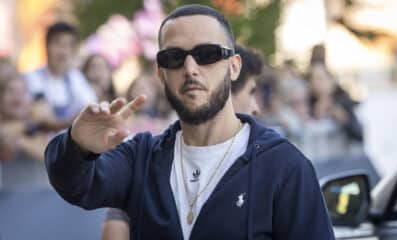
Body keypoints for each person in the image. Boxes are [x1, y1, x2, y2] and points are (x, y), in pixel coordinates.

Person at [45, 4, 335, 240]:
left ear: (233, 67)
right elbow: (76, 185)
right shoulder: (141, 158)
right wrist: (77, 145)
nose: (190, 68)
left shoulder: (284, 166)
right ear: (161, 74)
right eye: (174, 57)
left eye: (207, 54)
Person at [100, 44, 263, 240]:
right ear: (227, 87)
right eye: (251, 93)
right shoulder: (149, 159)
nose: (256, 108)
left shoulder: (274, 163)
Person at [24, 22, 97, 131]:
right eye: (58, 43)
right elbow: (43, 119)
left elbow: (92, 109)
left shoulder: (76, 77)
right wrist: (77, 121)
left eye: (69, 45)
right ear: (46, 46)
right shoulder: (31, 77)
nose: (63, 51)